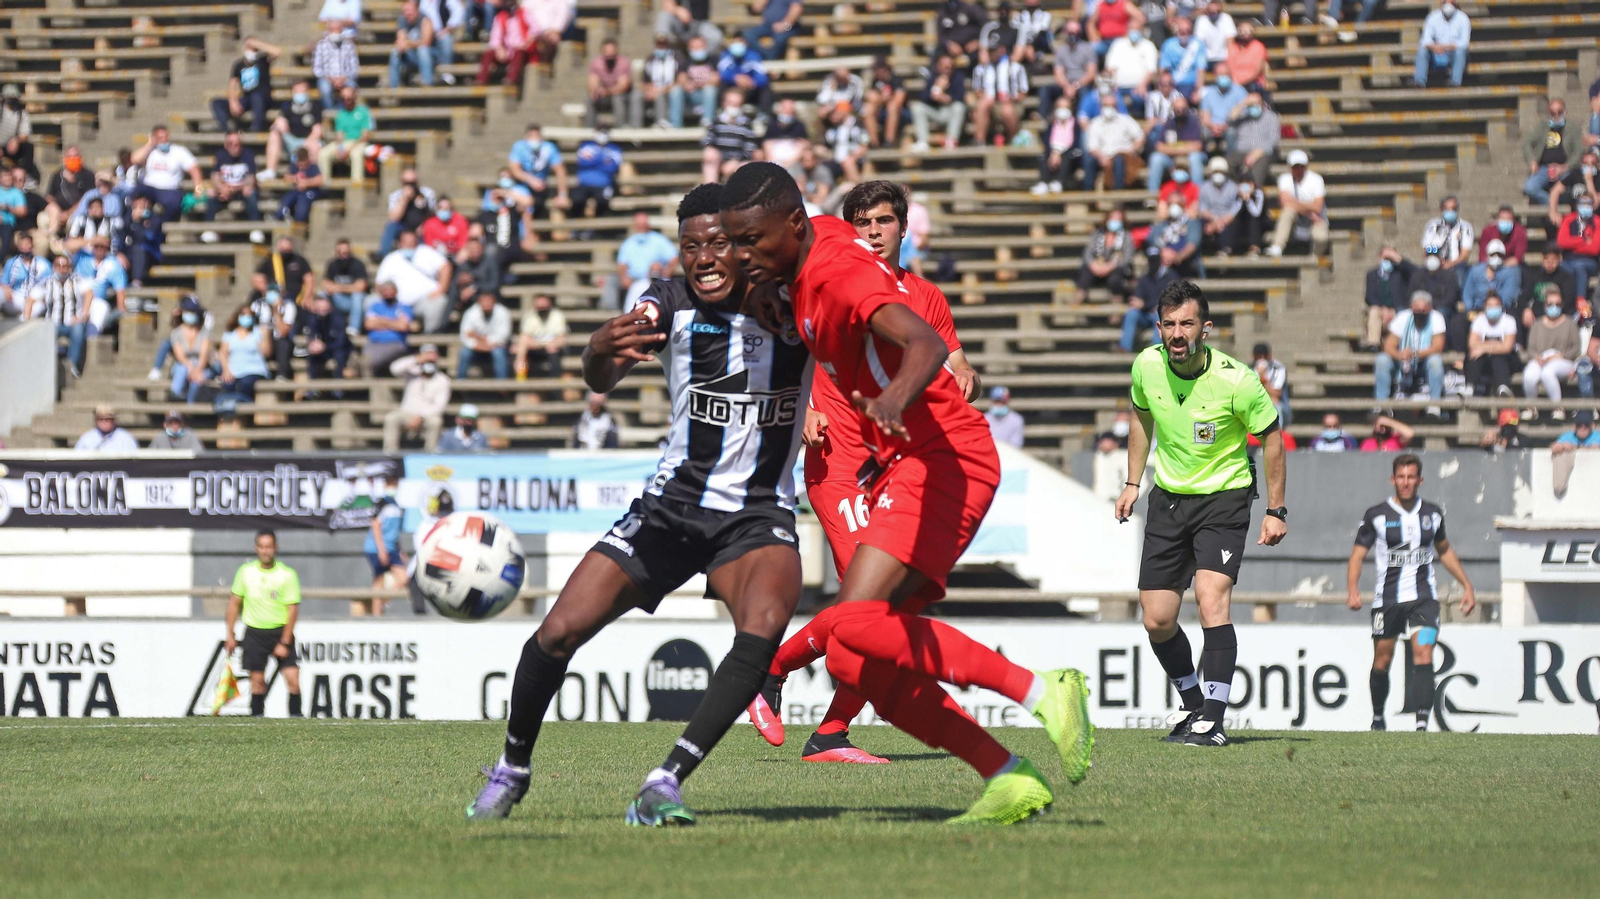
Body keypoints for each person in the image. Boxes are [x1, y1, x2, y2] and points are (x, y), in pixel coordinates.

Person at [717, 163, 1091, 823]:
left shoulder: (837, 273)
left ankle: (1041, 690)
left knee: (855, 625)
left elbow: (919, 339)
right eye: (737, 242)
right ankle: (1008, 775)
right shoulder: (810, 256)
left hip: (944, 455)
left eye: (753, 241)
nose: (746, 255)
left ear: (793, 227)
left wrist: (892, 397)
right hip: (907, 462)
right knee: (870, 670)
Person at [468, 183, 816, 825]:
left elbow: (826, 246)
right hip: (669, 508)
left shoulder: (796, 301)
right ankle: (511, 769)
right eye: (690, 246)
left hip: (757, 513)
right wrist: (595, 355)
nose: (704, 258)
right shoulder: (669, 300)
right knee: (558, 632)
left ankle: (665, 781)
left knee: (765, 623)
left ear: (746, 246)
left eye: (718, 243)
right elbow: (607, 371)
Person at [756, 179, 982, 764]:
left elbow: (953, 358)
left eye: (882, 221)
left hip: (897, 467)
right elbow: (786, 352)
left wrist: (965, 376)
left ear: (904, 228)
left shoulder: (926, 296)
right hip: (839, 464)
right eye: (861, 223)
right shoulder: (836, 282)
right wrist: (802, 408)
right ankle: (786, 686)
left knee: (890, 607)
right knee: (870, 609)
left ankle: (818, 720)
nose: (872, 233)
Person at [1115, 279, 1287, 748]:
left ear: (1205, 329)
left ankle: (1212, 720)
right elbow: (1140, 416)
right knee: (1157, 618)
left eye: (1186, 323)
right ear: (1159, 327)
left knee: (1212, 599)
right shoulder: (1146, 366)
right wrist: (1134, 482)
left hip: (1224, 499)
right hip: (1169, 498)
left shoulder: (1237, 380)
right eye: (1169, 324)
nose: (1177, 332)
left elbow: (1273, 437)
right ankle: (1192, 702)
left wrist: (1275, 509)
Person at [1346, 455, 1476, 732]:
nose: (1406, 483)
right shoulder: (1376, 515)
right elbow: (1357, 556)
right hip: (1387, 601)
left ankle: (1421, 723)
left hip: (1424, 599)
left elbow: (1445, 550)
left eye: (1411, 477)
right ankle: (1378, 717)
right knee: (1382, 660)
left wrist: (1467, 585)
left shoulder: (1432, 514)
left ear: (1420, 480)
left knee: (1424, 653)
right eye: (1401, 477)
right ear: (1393, 479)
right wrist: (1353, 590)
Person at [226, 530, 303, 717]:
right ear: (256, 548)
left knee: (293, 680)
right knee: (258, 683)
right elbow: (234, 604)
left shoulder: (287, 574)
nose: (265, 551)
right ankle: (257, 722)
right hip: (255, 633)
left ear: (275, 548)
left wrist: (284, 642)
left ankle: (297, 720)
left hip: (280, 632)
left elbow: (292, 609)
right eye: (261, 546)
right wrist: (230, 634)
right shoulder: (245, 572)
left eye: (269, 547)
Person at [374, 230, 452, 332]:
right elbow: (379, 283)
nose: (409, 246)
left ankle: (430, 338)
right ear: (399, 243)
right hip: (397, 304)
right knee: (371, 301)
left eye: (412, 243)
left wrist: (441, 289)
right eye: (406, 243)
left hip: (424, 301)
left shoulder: (426, 252)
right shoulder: (391, 259)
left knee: (439, 301)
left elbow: (445, 266)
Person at [1375, 290, 1446, 403]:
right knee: (1382, 360)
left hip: (1424, 361)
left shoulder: (1436, 317)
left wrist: (1415, 354)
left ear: (1430, 308)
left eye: (1424, 310)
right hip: (1402, 361)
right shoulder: (1403, 317)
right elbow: (1389, 345)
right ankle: (1380, 404)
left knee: (1435, 361)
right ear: (1411, 307)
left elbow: (1437, 347)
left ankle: (1435, 404)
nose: (1420, 312)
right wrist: (1400, 354)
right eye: (1417, 309)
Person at [28, 255, 90, 376]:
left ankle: (71, 366)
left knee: (79, 329)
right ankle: (44, 367)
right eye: (59, 266)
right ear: (54, 267)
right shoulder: (46, 282)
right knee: (43, 332)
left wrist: (83, 314)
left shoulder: (77, 280)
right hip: (52, 323)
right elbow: (30, 300)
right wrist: (27, 320)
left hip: (71, 322)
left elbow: (89, 293)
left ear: (69, 267)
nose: (62, 269)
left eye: (65, 266)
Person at [1521, 292, 1580, 418]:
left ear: (1562, 305)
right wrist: (1537, 357)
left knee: (1548, 372)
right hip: (1541, 358)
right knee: (1529, 376)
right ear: (1545, 305)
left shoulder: (1570, 323)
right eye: (1550, 304)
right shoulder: (1537, 324)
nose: (1554, 307)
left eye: (1557, 304)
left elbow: (1576, 348)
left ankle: (1558, 407)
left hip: (1563, 360)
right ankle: (1531, 407)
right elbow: (1530, 348)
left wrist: (1561, 356)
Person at [131, 125, 203, 225]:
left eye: (166, 137)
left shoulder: (179, 151)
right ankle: (141, 219)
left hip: (169, 189)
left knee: (174, 204)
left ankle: (157, 223)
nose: (164, 140)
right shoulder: (150, 151)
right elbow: (134, 160)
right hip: (149, 186)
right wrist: (150, 144)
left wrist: (198, 190)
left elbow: (195, 170)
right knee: (135, 193)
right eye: (160, 138)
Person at [607, 211, 678, 311]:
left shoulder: (659, 240)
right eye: (639, 225)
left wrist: (667, 271)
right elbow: (622, 263)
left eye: (643, 225)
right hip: (633, 280)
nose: (641, 227)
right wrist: (624, 277)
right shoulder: (629, 243)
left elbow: (674, 257)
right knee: (612, 280)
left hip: (653, 279)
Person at [385, 344, 451, 450]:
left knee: (436, 422)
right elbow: (394, 368)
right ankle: (391, 455)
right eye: (426, 355)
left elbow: (440, 406)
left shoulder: (442, 380)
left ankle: (430, 455)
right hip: (407, 413)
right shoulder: (412, 374)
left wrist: (421, 417)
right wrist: (416, 359)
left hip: (427, 416)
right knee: (391, 418)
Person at [211, 37, 280, 134]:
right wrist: (233, 101)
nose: (251, 50)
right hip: (248, 98)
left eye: (253, 48)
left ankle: (256, 128)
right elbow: (232, 84)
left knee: (257, 96)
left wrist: (257, 44)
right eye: (248, 47)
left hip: (262, 98)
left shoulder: (262, 60)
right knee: (216, 102)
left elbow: (277, 52)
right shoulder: (239, 65)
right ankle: (227, 129)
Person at [359, 476, 406, 617]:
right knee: (379, 580)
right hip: (377, 548)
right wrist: (381, 550)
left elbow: (394, 531)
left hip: (392, 548)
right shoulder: (381, 503)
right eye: (390, 484)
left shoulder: (396, 505)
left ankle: (380, 602)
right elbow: (375, 525)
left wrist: (400, 550)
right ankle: (376, 612)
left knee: (403, 578)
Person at [1267, 149, 1328, 257]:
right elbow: (1285, 203)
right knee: (1287, 212)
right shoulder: (1284, 179)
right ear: (1290, 167)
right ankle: (1277, 247)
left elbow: (1318, 207)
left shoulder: (1316, 179)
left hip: (1316, 218)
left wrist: (1295, 203)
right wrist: (1309, 211)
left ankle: (1315, 258)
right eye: (1295, 167)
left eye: (1301, 166)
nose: (1299, 170)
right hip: (1302, 217)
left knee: (1321, 238)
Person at [1524, 98, 1583, 206]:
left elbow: (1579, 151)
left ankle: (1556, 204)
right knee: (1529, 187)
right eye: (1552, 113)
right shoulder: (1542, 126)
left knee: (1571, 189)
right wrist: (1532, 161)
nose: (1556, 116)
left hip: (1565, 168)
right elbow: (1527, 143)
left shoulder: (1573, 128)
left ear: (1565, 112)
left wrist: (1564, 167)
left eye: (1559, 112)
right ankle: (1552, 204)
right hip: (1543, 168)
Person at [262, 79, 324, 180]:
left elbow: (318, 130)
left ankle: (311, 174)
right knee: (274, 134)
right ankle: (270, 170)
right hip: (291, 141)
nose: (300, 94)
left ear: (307, 91)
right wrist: (279, 125)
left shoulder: (315, 106)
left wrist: (305, 145)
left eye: (302, 91)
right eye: (297, 91)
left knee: (315, 145)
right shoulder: (287, 106)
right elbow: (277, 123)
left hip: (307, 141)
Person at [1083, 89, 1144, 189]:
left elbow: (1140, 136)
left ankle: (1118, 195)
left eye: (1112, 106)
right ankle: (1089, 195)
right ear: (1101, 107)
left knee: (1119, 160)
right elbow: (1092, 146)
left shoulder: (1125, 120)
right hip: (1102, 156)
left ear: (1117, 107)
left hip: (1122, 155)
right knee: (1089, 161)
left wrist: (1131, 150)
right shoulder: (1095, 123)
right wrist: (1102, 157)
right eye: (1106, 105)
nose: (1109, 108)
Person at [971, 47, 1028, 147]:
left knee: (1007, 110)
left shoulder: (1015, 67)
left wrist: (1011, 99)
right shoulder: (981, 69)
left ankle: (1013, 139)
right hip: (990, 103)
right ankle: (979, 141)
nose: (993, 54)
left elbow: (1023, 92)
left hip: (1010, 103)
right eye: (990, 51)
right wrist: (987, 97)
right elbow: (977, 91)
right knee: (982, 105)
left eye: (995, 51)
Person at [910, 54, 967, 153]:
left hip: (950, 112)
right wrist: (937, 89)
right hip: (935, 112)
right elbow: (924, 97)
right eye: (944, 66)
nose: (947, 69)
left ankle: (951, 141)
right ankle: (923, 142)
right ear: (938, 66)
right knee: (917, 107)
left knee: (959, 107)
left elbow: (960, 97)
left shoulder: (957, 77)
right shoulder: (933, 77)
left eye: (949, 66)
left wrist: (945, 98)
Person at [701, 90, 760, 187]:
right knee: (709, 156)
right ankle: (711, 190)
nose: (733, 107)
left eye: (736, 104)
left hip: (737, 160)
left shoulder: (746, 124)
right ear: (724, 104)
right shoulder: (716, 121)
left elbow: (750, 147)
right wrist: (711, 150)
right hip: (719, 160)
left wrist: (736, 161)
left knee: (746, 166)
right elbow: (708, 140)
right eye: (730, 103)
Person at [1464, 292, 1517, 398]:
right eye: (1490, 305)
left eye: (1496, 305)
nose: (1493, 308)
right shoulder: (1479, 320)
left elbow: (1507, 347)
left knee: (1498, 357)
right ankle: (1469, 387)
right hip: (1484, 362)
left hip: (1507, 361)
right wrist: (1496, 344)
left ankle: (1503, 387)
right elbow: (1472, 344)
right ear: (1485, 307)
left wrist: (1483, 348)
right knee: (1474, 355)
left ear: (1501, 307)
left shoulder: (1509, 321)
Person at [319, 86, 373, 186]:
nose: (347, 101)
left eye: (349, 98)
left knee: (356, 154)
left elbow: (365, 136)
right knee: (323, 153)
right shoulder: (341, 114)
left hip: (359, 142)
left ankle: (356, 184)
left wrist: (349, 149)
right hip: (345, 143)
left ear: (354, 97)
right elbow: (339, 136)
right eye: (344, 98)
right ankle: (324, 183)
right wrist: (340, 148)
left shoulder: (363, 112)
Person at [218, 303, 272, 403]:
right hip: (234, 371)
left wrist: (265, 335)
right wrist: (226, 370)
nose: (246, 317)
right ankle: (234, 408)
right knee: (227, 385)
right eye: (243, 314)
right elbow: (222, 353)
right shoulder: (229, 334)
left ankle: (242, 405)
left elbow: (267, 352)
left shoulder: (257, 332)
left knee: (245, 384)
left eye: (249, 315)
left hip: (253, 370)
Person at [1078, 208, 1134, 302]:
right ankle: (1075, 304)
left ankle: (1115, 312)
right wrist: (1093, 265)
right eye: (1113, 218)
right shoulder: (1098, 234)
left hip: (1115, 269)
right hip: (1096, 267)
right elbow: (1088, 253)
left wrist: (1110, 266)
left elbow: (1127, 257)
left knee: (1115, 280)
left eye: (1118, 219)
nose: (1115, 221)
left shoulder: (1126, 236)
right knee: (1084, 275)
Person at [1103, 24, 1158, 118]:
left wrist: (1143, 85)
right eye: (1133, 30)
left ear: (1142, 31)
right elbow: (1110, 67)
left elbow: (1151, 70)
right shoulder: (1118, 44)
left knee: (1138, 99)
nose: (1134, 33)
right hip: (1118, 86)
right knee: (1112, 99)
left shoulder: (1148, 46)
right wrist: (1114, 82)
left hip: (1139, 87)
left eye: (1137, 30)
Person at [167, 295, 215, 404]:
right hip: (183, 365)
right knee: (182, 369)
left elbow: (204, 355)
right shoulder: (176, 333)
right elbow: (180, 356)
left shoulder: (204, 332)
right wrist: (191, 367)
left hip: (201, 366)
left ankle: (190, 407)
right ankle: (175, 399)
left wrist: (197, 370)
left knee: (197, 380)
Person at [477, 0, 536, 87]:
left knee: (519, 54)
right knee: (488, 55)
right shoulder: (500, 17)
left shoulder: (524, 13)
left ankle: (511, 80)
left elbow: (536, 29)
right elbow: (495, 37)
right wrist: (499, 49)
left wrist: (527, 41)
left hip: (523, 48)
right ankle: (481, 80)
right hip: (507, 50)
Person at [207, 131, 261, 224]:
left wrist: (233, 189)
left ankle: (256, 226)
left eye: (237, 144)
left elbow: (251, 179)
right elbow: (215, 176)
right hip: (225, 191)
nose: (234, 147)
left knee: (249, 191)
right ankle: (208, 228)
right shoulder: (220, 155)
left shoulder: (248, 155)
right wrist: (221, 188)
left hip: (241, 190)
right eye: (230, 144)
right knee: (211, 192)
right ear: (225, 145)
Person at [1518, 243, 1577, 329]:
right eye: (1547, 259)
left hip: (1556, 311)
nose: (1550, 263)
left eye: (1553, 260)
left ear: (1559, 260)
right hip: (1537, 312)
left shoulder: (1566, 277)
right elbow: (1523, 296)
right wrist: (1527, 309)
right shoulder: (1535, 276)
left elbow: (1568, 301)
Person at [1414, 0, 1470, 89]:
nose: (1448, 4)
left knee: (1461, 51)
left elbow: (1464, 43)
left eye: (1451, 2)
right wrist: (1434, 47)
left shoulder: (1463, 18)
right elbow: (1425, 40)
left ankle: (1455, 82)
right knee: (1422, 51)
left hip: (1453, 53)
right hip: (1436, 53)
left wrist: (1444, 47)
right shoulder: (1432, 17)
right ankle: (1419, 82)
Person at [1555, 194, 1599, 305]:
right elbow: (1561, 242)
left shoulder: (1598, 222)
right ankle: (1563, 302)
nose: (1585, 206)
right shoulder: (1568, 219)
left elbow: (1594, 248)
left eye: (1588, 203)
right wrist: (1583, 240)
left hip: (1590, 261)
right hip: (1568, 260)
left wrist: (1572, 245)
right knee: (1560, 267)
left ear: (1593, 206)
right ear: (1577, 205)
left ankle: (1581, 301)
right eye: (1582, 203)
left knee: (1579, 266)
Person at [299, 292, 351, 386]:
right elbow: (312, 335)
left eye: (324, 307)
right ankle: (313, 387)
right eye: (319, 307)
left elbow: (341, 342)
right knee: (312, 357)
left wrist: (325, 347)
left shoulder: (338, 319)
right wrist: (313, 344)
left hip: (338, 348)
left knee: (340, 356)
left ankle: (339, 387)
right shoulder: (313, 319)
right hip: (324, 349)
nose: (322, 310)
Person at [1420, 195, 1474, 285]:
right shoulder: (1432, 225)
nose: (1450, 212)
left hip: (1457, 264)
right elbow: (1426, 248)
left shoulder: (1465, 227)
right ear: (1441, 210)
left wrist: (1450, 264)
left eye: (1453, 209)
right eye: (1447, 209)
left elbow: (1465, 254)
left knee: (1460, 276)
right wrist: (1436, 261)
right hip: (1435, 261)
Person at [457, 291, 512, 379]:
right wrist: (480, 345)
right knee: (464, 353)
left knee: (498, 353)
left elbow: (504, 337)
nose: (486, 304)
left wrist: (478, 337)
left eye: (489, 301)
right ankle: (460, 386)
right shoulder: (470, 313)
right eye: (484, 301)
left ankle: (502, 387)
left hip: (496, 348)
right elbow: (465, 337)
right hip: (477, 350)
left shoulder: (503, 312)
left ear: (494, 301)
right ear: (479, 302)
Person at [570, 130, 622, 221]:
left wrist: (593, 159)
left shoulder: (614, 149)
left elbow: (613, 167)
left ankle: (598, 230)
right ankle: (577, 227)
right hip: (584, 184)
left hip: (604, 185)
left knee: (603, 201)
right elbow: (582, 162)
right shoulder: (586, 146)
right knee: (577, 199)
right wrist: (602, 160)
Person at [363, 281, 413, 374]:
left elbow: (403, 326)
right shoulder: (375, 306)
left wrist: (380, 321)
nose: (388, 293)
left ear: (396, 292)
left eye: (391, 290)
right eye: (385, 290)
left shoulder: (403, 307)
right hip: (374, 342)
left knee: (372, 359)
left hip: (395, 343)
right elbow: (369, 324)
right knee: (365, 359)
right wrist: (393, 322)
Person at [1032, 96, 1079, 193]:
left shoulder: (1075, 124)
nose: (1063, 110)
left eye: (1066, 108)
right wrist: (1054, 153)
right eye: (1060, 107)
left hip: (1068, 152)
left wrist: (1060, 153)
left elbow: (1075, 143)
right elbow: (1047, 141)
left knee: (1068, 156)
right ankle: (1043, 183)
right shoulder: (1051, 123)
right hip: (1054, 151)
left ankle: (1059, 182)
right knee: (1043, 156)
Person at [515, 293, 567, 379]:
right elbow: (525, 337)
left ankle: (555, 387)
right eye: (540, 307)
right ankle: (520, 381)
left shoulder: (558, 316)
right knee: (519, 354)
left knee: (554, 353)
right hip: (535, 348)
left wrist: (543, 344)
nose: (542, 309)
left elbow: (561, 339)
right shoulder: (530, 316)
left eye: (544, 306)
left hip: (553, 349)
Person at [585, 39, 635, 129]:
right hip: (604, 96)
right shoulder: (596, 63)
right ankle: (589, 130)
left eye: (612, 53)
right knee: (590, 98)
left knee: (617, 98)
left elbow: (622, 87)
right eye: (607, 53)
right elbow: (592, 83)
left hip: (621, 96)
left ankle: (620, 129)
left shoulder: (623, 63)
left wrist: (606, 91)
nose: (609, 56)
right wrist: (595, 90)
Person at [861, 56, 908, 149]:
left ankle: (889, 141)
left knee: (892, 106)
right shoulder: (875, 82)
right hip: (881, 112)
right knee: (868, 108)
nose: (875, 72)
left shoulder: (896, 80)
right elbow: (870, 97)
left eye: (877, 69)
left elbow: (899, 99)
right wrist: (881, 99)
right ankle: (874, 143)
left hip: (902, 113)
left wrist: (884, 99)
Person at [321, 237, 369, 330]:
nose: (343, 255)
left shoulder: (358, 264)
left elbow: (361, 287)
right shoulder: (332, 264)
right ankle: (324, 328)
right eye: (340, 252)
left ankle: (353, 328)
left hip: (357, 302)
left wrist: (338, 287)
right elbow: (326, 285)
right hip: (340, 299)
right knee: (322, 295)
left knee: (357, 296)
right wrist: (350, 287)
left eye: (346, 253)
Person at [1463, 239, 1519, 315]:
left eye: (1500, 255)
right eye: (1493, 254)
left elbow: (1507, 298)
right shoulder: (1475, 271)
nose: (1496, 257)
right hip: (1476, 309)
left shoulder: (1509, 273)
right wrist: (1470, 311)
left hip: (1499, 310)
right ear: (1487, 255)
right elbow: (1468, 293)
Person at [312, 19, 361, 105]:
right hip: (327, 78)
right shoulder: (321, 45)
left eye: (338, 29)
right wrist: (330, 79)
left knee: (351, 88)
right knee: (325, 89)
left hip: (346, 77)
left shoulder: (349, 45)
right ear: (328, 30)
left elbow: (354, 67)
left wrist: (343, 78)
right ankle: (330, 111)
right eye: (332, 29)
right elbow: (316, 68)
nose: (335, 32)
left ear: (342, 30)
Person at [1, 232, 50, 318]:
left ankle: (22, 321)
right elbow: (4, 282)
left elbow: (50, 282)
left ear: (32, 245)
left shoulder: (43, 263)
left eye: (27, 244)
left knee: (38, 308)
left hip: (35, 300)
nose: (25, 247)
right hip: (15, 298)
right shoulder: (11, 262)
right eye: (22, 244)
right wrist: (5, 288)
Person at [390, 0, 438, 87]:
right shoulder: (402, 20)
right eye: (405, 11)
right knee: (395, 52)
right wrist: (402, 44)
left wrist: (408, 43)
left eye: (409, 11)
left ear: (416, 10)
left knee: (422, 50)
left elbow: (426, 42)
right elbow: (401, 39)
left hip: (430, 56)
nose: (407, 13)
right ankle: (393, 87)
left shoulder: (425, 19)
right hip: (412, 55)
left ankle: (427, 83)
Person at [1159, 15, 1208, 98]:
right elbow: (1163, 69)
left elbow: (1201, 69)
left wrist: (1198, 90)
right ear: (1177, 31)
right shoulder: (1168, 44)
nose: (1185, 34)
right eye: (1182, 31)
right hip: (1174, 84)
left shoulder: (1198, 44)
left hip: (1191, 84)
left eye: (1187, 31)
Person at [718, 38, 772, 113]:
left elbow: (762, 76)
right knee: (721, 85)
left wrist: (752, 82)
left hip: (749, 87)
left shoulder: (754, 56)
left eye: (740, 43)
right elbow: (722, 73)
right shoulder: (726, 55)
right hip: (732, 85)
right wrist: (735, 78)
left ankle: (764, 115)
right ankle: (722, 113)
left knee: (766, 89)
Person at [0, 84, 35, 182]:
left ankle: (25, 175)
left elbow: (25, 134)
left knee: (28, 147)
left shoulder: (22, 113)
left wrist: (17, 140)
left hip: (11, 147)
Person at [277, 149, 323, 223]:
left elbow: (320, 180)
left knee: (302, 209)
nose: (300, 163)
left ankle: (299, 223)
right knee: (285, 203)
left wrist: (306, 183)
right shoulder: (295, 167)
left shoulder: (313, 167)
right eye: (298, 161)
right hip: (296, 191)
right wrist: (295, 178)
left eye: (302, 161)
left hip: (309, 192)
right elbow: (286, 177)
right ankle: (280, 217)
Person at [75, 404, 139, 452]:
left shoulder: (126, 439)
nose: (104, 421)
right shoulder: (86, 438)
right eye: (100, 419)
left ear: (114, 420)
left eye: (107, 419)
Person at [1252, 342, 1289, 425]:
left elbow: (1276, 394)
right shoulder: (1249, 369)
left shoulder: (1278, 368)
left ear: (1270, 355)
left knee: (1275, 405)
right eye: (1259, 357)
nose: (1262, 359)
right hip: (1256, 401)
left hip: (1278, 404)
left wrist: (1263, 379)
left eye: (1264, 356)